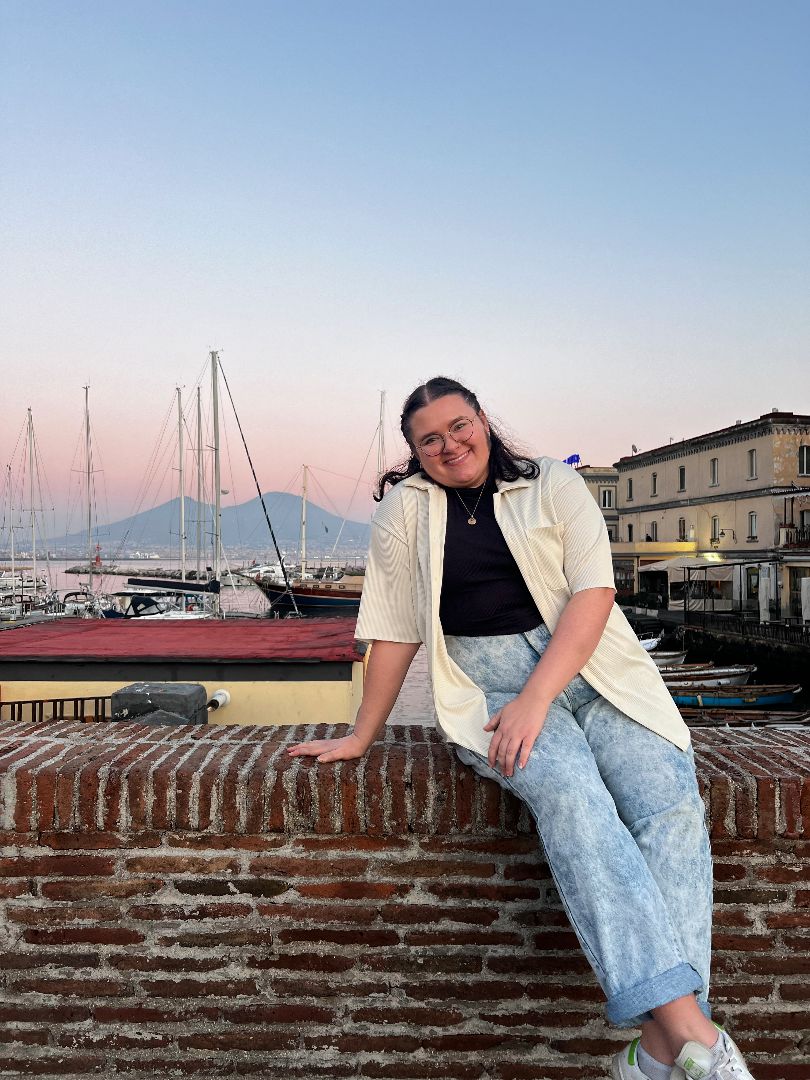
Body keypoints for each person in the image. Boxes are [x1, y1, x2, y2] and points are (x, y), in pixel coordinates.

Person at [287, 377, 755, 1080]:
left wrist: (542, 695)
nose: (450, 445)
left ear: (483, 420)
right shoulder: (406, 514)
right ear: (415, 453)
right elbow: (391, 630)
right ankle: (691, 1041)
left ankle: (666, 1047)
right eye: (430, 439)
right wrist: (362, 734)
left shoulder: (553, 487)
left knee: (669, 803)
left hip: (595, 666)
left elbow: (595, 593)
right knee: (570, 793)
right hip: (490, 682)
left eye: (459, 425)